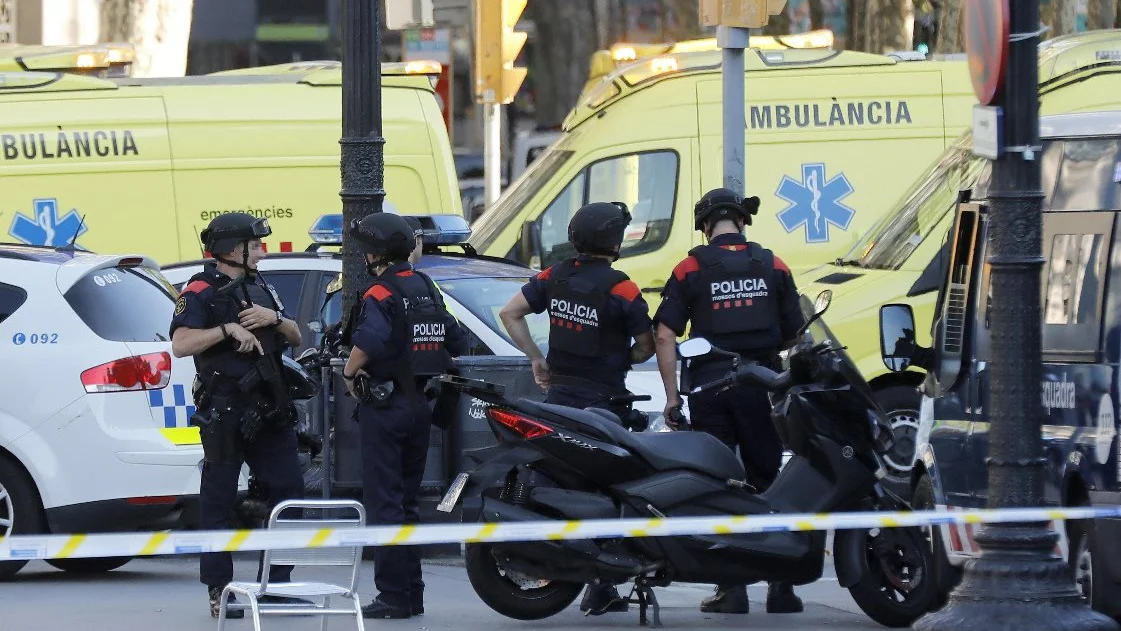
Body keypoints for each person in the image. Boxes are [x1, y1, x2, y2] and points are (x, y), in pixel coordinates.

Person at [652, 187, 806, 616]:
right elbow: (797, 335)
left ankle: (731, 589)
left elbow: (665, 334)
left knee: (718, 484)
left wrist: (670, 399)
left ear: (705, 226)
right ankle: (782, 588)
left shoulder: (689, 268)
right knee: (768, 480)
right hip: (763, 384)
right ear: (742, 221)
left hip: (711, 388)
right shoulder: (772, 263)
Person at [498, 201, 656, 615]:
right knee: (615, 492)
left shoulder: (555, 276)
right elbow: (645, 345)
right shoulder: (621, 287)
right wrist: (627, 356)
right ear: (615, 242)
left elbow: (510, 312)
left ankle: (588, 582)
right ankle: (602, 585)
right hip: (604, 406)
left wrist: (536, 357)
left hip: (558, 402)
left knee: (565, 485)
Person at [170, 212, 308, 618]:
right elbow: (181, 344)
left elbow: (297, 336)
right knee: (219, 502)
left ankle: (277, 585)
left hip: (269, 409)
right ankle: (221, 591)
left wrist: (276, 320)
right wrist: (227, 330)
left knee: (290, 495)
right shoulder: (199, 289)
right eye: (256, 245)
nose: (263, 250)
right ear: (234, 249)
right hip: (226, 411)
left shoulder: (260, 285)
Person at [342, 212, 467, 619]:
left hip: (387, 406)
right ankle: (412, 593)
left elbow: (371, 340)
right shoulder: (424, 284)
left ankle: (393, 595)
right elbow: (454, 334)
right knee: (408, 503)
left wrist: (348, 369)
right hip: (420, 406)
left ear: (373, 253)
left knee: (384, 504)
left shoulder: (379, 292)